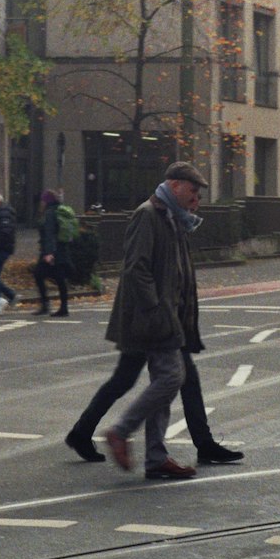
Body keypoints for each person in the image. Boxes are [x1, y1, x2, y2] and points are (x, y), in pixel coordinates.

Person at [101, 162, 210, 480]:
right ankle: (121, 431)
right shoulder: (148, 215)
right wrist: (157, 309)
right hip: (155, 318)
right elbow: (136, 268)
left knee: (165, 380)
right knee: (172, 378)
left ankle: (155, 457)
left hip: (168, 315)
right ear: (175, 186)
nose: (196, 199)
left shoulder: (172, 218)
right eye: (193, 191)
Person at [65, 348, 244, 468]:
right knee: (162, 379)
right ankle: (150, 449)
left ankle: (82, 432)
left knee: (129, 379)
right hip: (152, 323)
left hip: (156, 320)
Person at [33, 188, 71, 317]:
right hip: (61, 250)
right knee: (60, 279)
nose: (41, 203)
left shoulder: (49, 213)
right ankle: (63, 307)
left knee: (38, 275)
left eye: (43, 200)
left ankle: (46, 305)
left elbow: (49, 233)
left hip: (51, 252)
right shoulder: (60, 210)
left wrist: (49, 253)